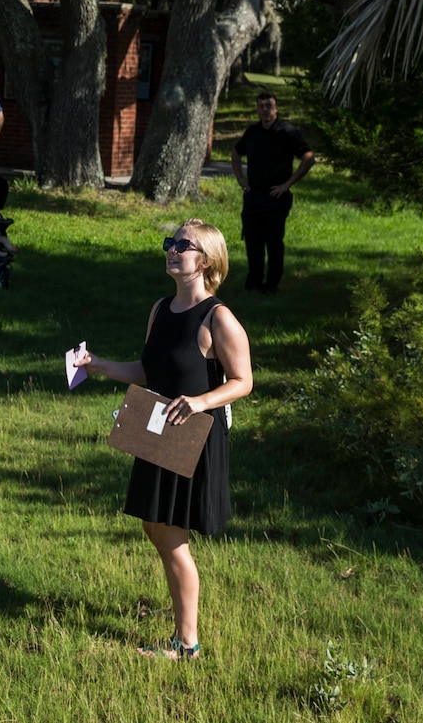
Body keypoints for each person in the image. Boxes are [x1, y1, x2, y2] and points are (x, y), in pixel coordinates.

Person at [73, 219, 253, 660]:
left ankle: (186, 643)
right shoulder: (160, 309)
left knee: (172, 535)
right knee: (155, 525)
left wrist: (200, 401)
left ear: (206, 259)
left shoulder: (219, 318)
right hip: (157, 427)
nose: (172, 250)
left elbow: (243, 380)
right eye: (170, 243)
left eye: (182, 245)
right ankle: (181, 619)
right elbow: (148, 371)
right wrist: (97, 365)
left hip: (193, 436)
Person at [230, 91, 315, 293]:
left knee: (274, 243)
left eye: (269, 106)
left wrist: (287, 184)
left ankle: (272, 285)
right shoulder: (252, 132)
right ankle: (253, 284)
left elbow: (308, 157)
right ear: (257, 109)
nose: (265, 110)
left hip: (276, 197)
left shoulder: (287, 132)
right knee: (253, 241)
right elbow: (235, 153)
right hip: (253, 196)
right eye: (261, 106)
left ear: (276, 108)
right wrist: (241, 179)